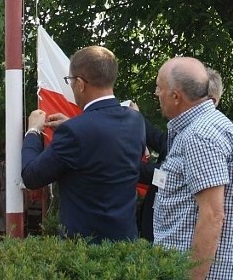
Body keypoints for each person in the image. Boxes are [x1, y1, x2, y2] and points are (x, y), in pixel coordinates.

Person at [22, 45, 146, 241]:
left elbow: (31, 176)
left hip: (85, 253)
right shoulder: (135, 120)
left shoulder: (75, 131)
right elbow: (105, 147)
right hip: (125, 246)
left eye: (70, 81)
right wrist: (73, 125)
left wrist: (33, 131)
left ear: (80, 83)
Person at [152, 57, 233, 280]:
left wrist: (192, 278)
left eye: (159, 87)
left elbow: (212, 216)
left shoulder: (200, 136)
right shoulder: (209, 124)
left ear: (175, 96)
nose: (156, 93)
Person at [134, 67, 225, 242]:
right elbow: (159, 140)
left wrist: (117, 164)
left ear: (210, 100)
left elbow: (166, 175)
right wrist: (136, 118)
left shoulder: (201, 136)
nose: (158, 94)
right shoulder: (184, 129)